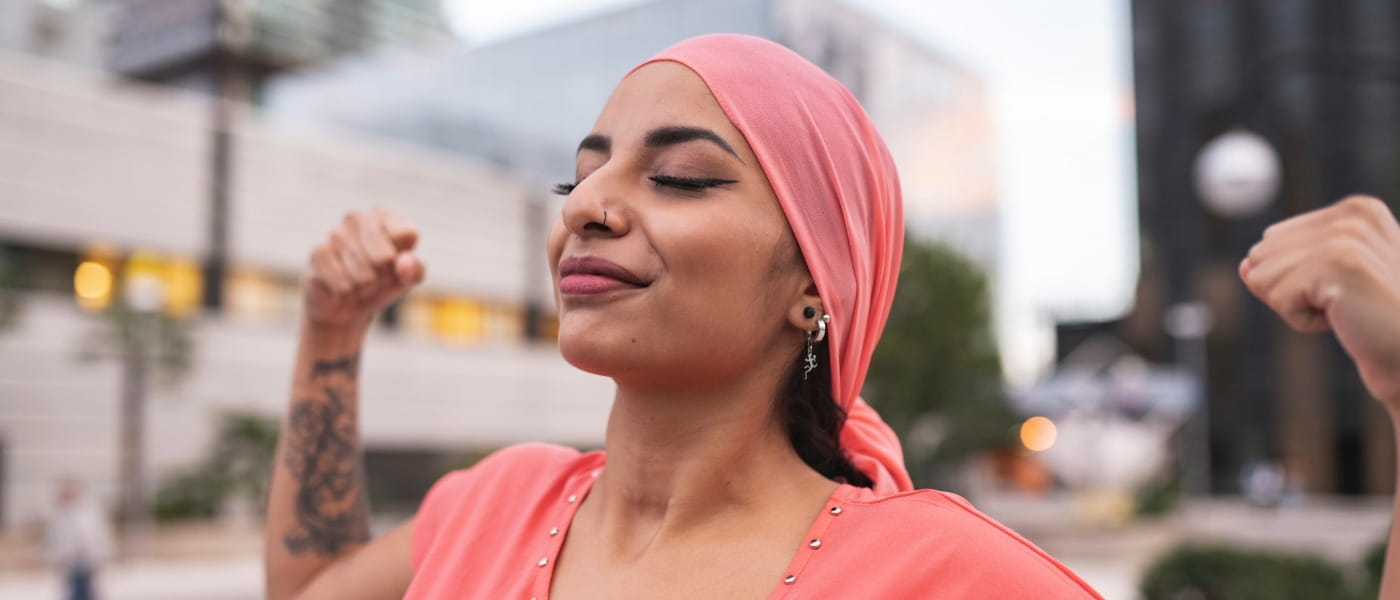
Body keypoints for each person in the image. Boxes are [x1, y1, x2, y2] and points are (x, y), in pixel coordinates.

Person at [262, 34, 1400, 599]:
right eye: (584, 175)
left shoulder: (935, 571)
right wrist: (328, 338)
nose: (592, 208)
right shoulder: (497, 506)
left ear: (816, 282)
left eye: (682, 177)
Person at [46, 478, 109, 600]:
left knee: (89, 591)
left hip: (88, 561)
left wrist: (99, 555)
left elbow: (96, 535)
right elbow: (54, 540)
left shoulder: (88, 511)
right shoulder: (59, 514)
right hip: (70, 563)